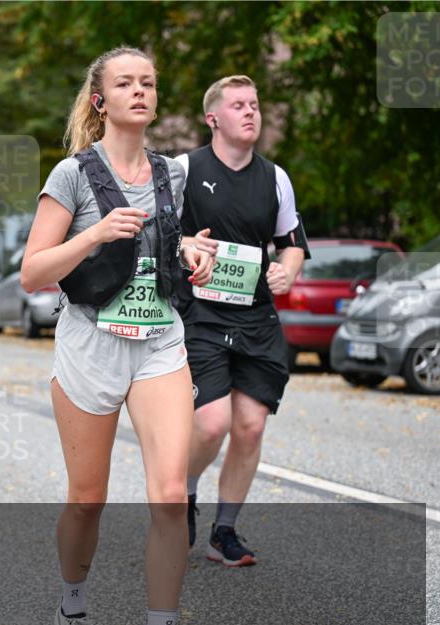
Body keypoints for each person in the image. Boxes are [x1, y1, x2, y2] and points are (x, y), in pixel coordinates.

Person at [20, 47, 215, 625]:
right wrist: (96, 233)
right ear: (100, 101)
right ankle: (72, 618)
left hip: (160, 342)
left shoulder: (173, 174)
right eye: (126, 83)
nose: (141, 91)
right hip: (90, 346)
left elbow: (169, 243)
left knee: (168, 493)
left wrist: (191, 252)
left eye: (149, 83)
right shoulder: (72, 175)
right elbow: (31, 273)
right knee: (87, 499)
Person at [174, 75, 308, 567]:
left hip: (255, 318)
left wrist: (285, 272)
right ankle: (183, 491)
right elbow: (155, 230)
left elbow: (292, 244)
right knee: (212, 423)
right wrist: (185, 245)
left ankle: (223, 532)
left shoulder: (275, 177)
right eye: (238, 105)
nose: (250, 112)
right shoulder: (183, 169)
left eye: (254, 104)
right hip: (200, 316)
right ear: (214, 118)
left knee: (249, 427)